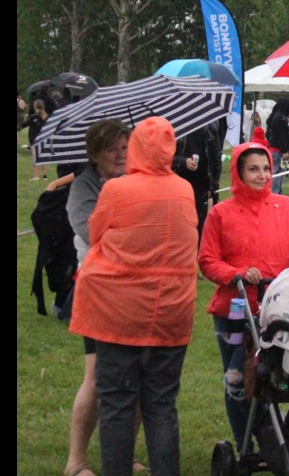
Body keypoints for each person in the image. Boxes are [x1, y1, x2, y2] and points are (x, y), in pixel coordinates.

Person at [69, 117, 198, 476]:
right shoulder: (184, 189)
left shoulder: (116, 190)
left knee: (117, 404)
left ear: (137, 147)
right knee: (161, 405)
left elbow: (95, 233)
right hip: (171, 313)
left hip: (117, 316)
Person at [198, 142, 289, 449]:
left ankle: (274, 441)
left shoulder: (288, 208)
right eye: (253, 169)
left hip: (278, 313)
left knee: (274, 380)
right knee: (238, 380)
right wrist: (235, 273)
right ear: (238, 171)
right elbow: (208, 260)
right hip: (235, 312)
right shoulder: (221, 214)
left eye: (266, 168)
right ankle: (245, 444)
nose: (262, 175)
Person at [63, 119, 139, 476]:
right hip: (98, 289)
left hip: (136, 288)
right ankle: (75, 461)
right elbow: (96, 236)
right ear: (95, 154)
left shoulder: (138, 181)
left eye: (125, 147)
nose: (121, 155)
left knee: (140, 375)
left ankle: (125, 453)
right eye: (113, 150)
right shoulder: (84, 187)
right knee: (96, 379)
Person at [265, 99, 289, 194]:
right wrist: (285, 150)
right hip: (278, 151)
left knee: (280, 172)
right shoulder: (280, 119)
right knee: (277, 172)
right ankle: (275, 192)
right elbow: (281, 136)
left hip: (276, 149)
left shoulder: (277, 118)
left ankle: (277, 190)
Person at [28, 98, 49, 180]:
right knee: (42, 158)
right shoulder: (46, 116)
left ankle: (36, 176)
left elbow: (31, 130)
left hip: (35, 140)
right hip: (43, 139)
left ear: (35, 106)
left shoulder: (33, 117)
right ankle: (45, 176)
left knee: (35, 159)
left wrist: (30, 142)